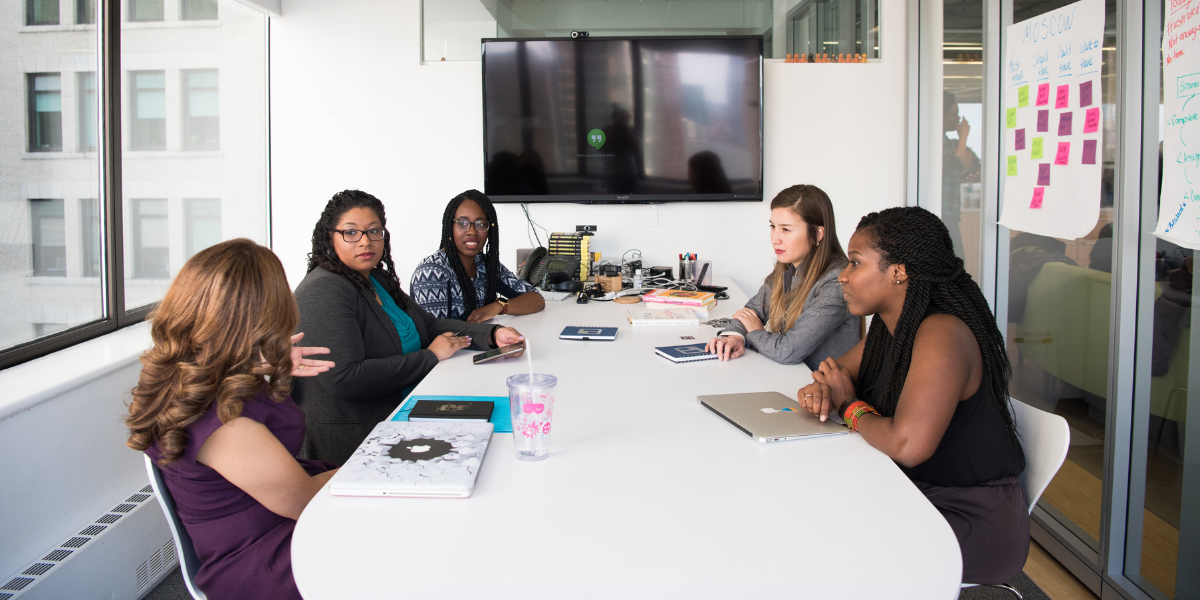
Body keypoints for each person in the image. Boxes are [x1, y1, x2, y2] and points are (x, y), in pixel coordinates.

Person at [798, 206, 1028, 585]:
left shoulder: (943, 334)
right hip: (910, 489)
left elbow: (907, 445)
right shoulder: (892, 329)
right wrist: (821, 391)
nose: (843, 276)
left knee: (823, 541)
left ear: (899, 271)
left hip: (966, 518)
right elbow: (829, 375)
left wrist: (846, 404)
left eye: (856, 264)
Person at [125, 238, 338, 600]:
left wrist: (265, 362)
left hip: (265, 520)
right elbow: (306, 504)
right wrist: (373, 464)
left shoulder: (190, 376)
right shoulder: (227, 426)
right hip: (265, 560)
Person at [292, 190, 525, 465]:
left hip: (403, 413)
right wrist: (430, 356)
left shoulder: (375, 277)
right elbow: (346, 379)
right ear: (329, 236)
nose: (365, 241)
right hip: (353, 441)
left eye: (374, 231)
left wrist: (491, 334)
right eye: (351, 232)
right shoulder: (323, 290)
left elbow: (429, 325)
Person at [705, 184, 859, 369]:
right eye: (773, 226)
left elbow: (787, 350)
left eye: (786, 229)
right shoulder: (787, 267)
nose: (774, 238)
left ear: (818, 233)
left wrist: (754, 331)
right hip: (796, 380)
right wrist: (734, 337)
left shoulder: (836, 282)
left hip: (823, 391)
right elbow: (752, 311)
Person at [410, 189, 545, 322]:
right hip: (465, 343)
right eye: (462, 223)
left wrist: (499, 306)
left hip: (485, 341)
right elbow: (436, 332)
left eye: (481, 224)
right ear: (449, 227)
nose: (472, 232)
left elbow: (536, 299)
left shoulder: (485, 264)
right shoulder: (431, 272)